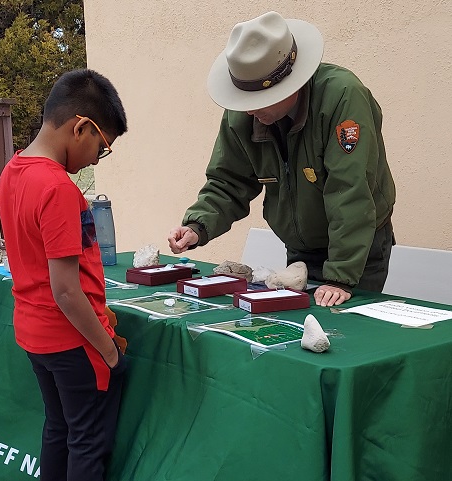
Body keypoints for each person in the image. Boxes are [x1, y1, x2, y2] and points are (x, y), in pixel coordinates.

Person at [168, 11, 396, 307]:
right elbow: (228, 181)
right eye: (244, 99)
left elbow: (350, 189)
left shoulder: (342, 96)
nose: (249, 110)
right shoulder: (242, 114)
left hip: (358, 251)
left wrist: (340, 276)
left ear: (290, 83)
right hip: (301, 248)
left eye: (258, 101)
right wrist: (197, 226)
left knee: (345, 335)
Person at [0, 69, 128, 481]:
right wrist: (109, 352)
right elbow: (67, 291)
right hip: (72, 341)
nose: (95, 159)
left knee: (59, 428)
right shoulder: (57, 188)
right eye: (102, 147)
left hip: (34, 334)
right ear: (81, 127)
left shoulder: (13, 172)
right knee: (87, 442)